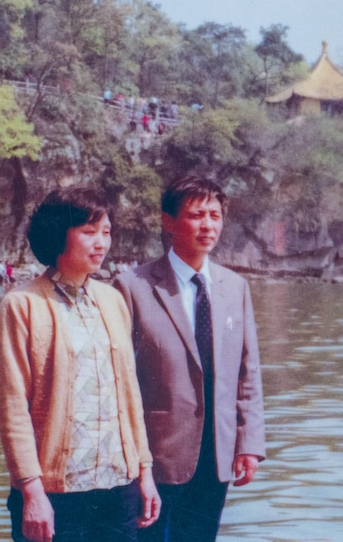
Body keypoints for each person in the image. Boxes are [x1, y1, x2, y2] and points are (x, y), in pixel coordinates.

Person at [0, 187, 160, 542]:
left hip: (119, 489)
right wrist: (32, 492)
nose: (101, 243)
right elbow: (12, 408)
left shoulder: (113, 300)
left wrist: (144, 472)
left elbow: (130, 396)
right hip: (55, 494)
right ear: (58, 233)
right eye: (89, 232)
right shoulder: (21, 304)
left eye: (107, 232)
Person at [114, 176, 265, 542]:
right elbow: (120, 380)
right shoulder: (132, 286)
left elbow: (248, 372)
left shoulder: (235, 287)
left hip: (217, 453)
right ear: (168, 221)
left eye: (215, 215)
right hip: (156, 456)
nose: (208, 225)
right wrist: (134, 458)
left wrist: (249, 444)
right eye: (197, 215)